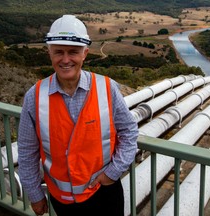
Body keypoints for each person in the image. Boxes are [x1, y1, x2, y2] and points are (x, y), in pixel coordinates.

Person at [17, 14, 138, 216]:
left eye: (73, 52)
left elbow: (130, 132)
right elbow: (27, 152)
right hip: (63, 200)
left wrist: (113, 172)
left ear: (85, 54)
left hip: (105, 192)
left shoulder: (107, 88)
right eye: (59, 52)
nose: (65, 60)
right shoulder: (34, 96)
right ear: (50, 53)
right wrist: (35, 195)